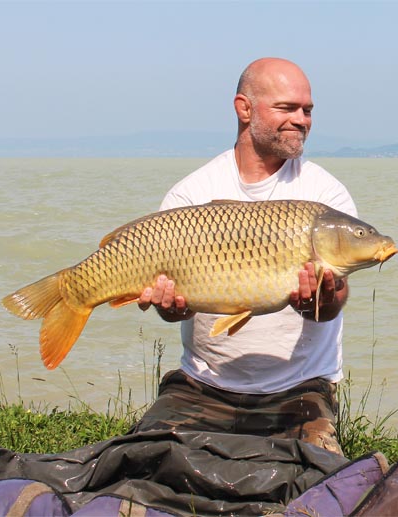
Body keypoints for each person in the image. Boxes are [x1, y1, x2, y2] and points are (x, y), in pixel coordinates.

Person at [130, 58, 354, 456]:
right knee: (147, 459)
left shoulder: (324, 195)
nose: (302, 120)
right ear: (244, 108)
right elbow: (172, 312)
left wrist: (318, 301)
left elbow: (329, 309)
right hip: (203, 385)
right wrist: (170, 306)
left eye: (308, 110)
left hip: (298, 388)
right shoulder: (191, 194)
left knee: (317, 478)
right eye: (287, 108)